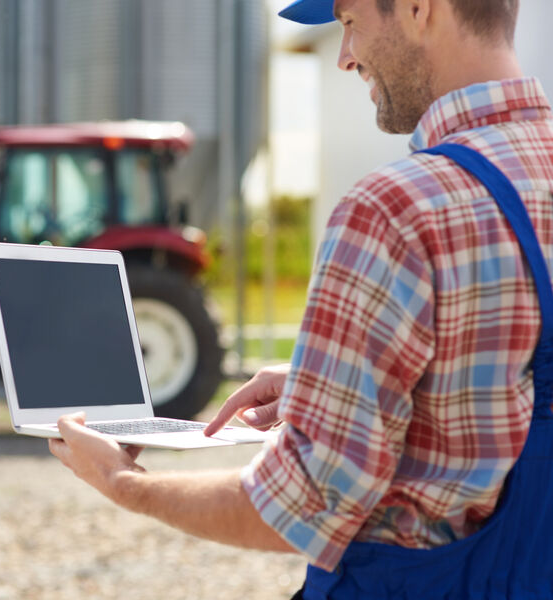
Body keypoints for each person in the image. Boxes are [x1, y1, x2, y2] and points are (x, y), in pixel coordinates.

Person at [49, 0, 553, 597]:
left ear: (420, 9)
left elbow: (305, 504)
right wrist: (340, 382)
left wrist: (123, 482)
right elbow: (506, 371)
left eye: (348, 21)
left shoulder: (394, 212)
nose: (344, 58)